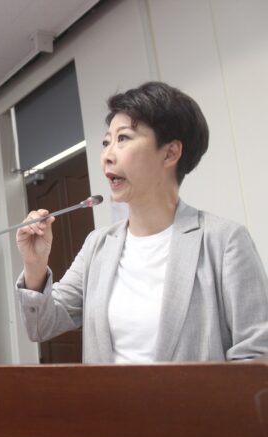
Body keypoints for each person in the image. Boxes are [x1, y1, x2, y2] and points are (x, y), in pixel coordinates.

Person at [15, 81, 268, 363]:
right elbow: (42, 326)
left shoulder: (224, 241)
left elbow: (256, 355)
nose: (107, 156)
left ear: (170, 153)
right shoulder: (98, 245)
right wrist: (34, 264)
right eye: (106, 142)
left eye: (123, 138)